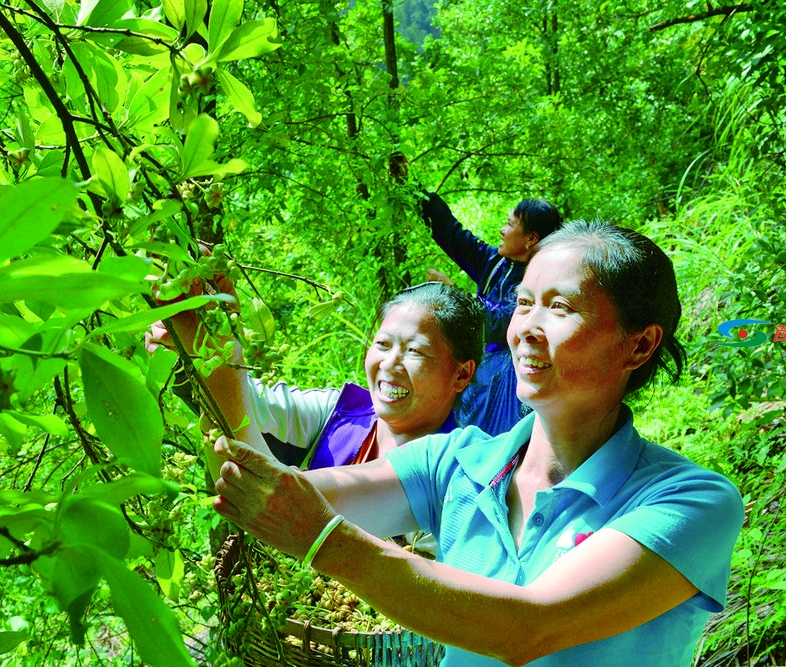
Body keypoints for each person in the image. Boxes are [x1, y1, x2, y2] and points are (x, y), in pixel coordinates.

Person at [208, 221, 745, 666]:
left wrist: (326, 542)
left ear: (640, 344)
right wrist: (211, 349)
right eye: (523, 303)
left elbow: (528, 628)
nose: (527, 327)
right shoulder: (456, 461)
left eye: (559, 308)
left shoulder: (688, 502)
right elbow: (279, 498)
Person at [149, 280, 485, 472]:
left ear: (462, 373)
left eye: (414, 351)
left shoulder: (461, 469)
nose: (390, 364)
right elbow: (241, 404)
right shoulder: (340, 414)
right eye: (383, 344)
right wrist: (202, 339)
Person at [421, 190, 563, 435]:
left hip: (506, 383)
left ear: (531, 239)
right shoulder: (495, 262)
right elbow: (452, 233)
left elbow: (499, 325)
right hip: (477, 367)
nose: (502, 230)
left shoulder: (538, 282)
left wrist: (452, 292)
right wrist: (414, 190)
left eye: (509, 224)